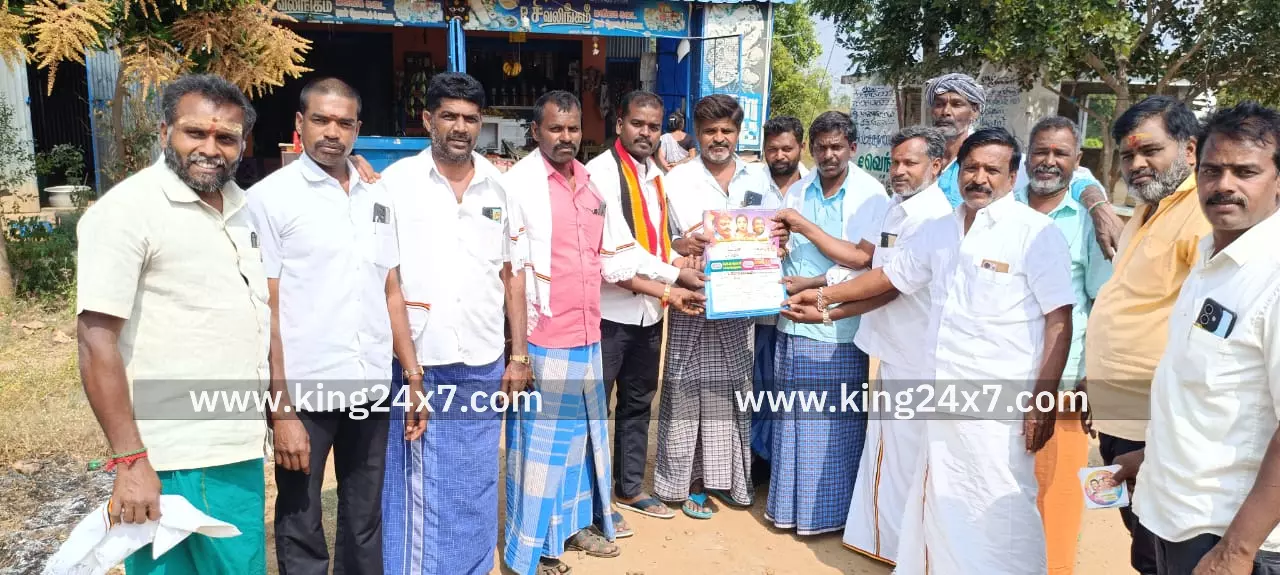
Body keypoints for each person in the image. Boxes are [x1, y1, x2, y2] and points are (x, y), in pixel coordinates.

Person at [785, 127, 1074, 574]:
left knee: (1000, 502)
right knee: (940, 494)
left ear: (1013, 176)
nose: (979, 178)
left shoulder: (1035, 233)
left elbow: (1060, 319)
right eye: (971, 168)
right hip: (940, 389)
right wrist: (824, 300)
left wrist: (1043, 400)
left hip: (999, 402)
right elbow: (892, 277)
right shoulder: (941, 230)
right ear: (957, 172)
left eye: (992, 170)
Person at [75, 73, 269, 573]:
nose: (211, 148)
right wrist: (130, 461)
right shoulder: (128, 211)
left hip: (233, 448)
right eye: (194, 132)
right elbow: (96, 342)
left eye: (226, 137)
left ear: (243, 144)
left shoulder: (241, 208)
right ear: (165, 132)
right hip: (170, 455)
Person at [502, 90, 701, 575]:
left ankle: (571, 528)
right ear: (536, 131)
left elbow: (616, 255)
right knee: (540, 448)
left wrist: (676, 278)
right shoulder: (518, 185)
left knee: (577, 442)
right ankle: (531, 550)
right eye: (555, 128)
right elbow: (512, 272)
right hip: (544, 334)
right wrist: (518, 352)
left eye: (572, 129)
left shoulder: (588, 184)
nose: (565, 137)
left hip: (587, 331)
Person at [246, 77, 412, 575]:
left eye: (344, 123)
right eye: (320, 120)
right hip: (306, 388)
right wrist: (281, 410)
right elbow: (267, 308)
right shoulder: (269, 199)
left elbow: (391, 289)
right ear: (300, 123)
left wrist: (413, 374)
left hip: (371, 384)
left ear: (358, 129)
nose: (333, 133)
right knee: (301, 517)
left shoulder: (377, 197)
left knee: (364, 516)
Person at [373, 72, 528, 575]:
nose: (460, 127)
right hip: (421, 360)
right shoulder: (396, 185)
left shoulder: (500, 187)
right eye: (449, 116)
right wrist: (410, 371)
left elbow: (513, 277)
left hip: (483, 359)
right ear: (427, 120)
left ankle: (473, 567)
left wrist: (519, 356)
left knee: (476, 479)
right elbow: (387, 280)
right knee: (417, 483)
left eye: (470, 118)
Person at [1135, 101, 1280, 575]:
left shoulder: (1273, 278)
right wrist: (1150, 457)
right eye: (1212, 170)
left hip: (1234, 536)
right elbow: (1206, 389)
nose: (1224, 185)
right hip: (1175, 515)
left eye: (1246, 172)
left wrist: (1236, 551)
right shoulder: (1209, 259)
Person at [1085, 95, 1209, 575]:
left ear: (1190, 149)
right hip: (1121, 412)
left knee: (1163, 549)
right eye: (1128, 154)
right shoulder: (1148, 208)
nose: (1137, 164)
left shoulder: (1201, 214)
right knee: (1142, 541)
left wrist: (1163, 434)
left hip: (1156, 421)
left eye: (1150, 150)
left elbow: (1204, 332)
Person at [763, 111, 889, 535]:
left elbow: (862, 259)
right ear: (811, 150)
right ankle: (788, 509)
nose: (829, 155)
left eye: (837, 147)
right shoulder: (800, 189)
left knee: (831, 425)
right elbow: (788, 245)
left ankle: (827, 515)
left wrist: (804, 228)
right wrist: (780, 244)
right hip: (792, 320)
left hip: (836, 324)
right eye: (821, 148)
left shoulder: (871, 195)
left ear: (853, 148)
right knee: (791, 422)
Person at [655, 93, 778, 519]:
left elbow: (775, 229)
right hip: (694, 294)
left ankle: (725, 479)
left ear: (738, 133)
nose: (719, 138)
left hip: (742, 302)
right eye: (710, 131)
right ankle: (685, 482)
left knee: (734, 388)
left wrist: (777, 241)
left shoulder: (758, 177)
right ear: (698, 133)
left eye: (727, 130)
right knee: (685, 386)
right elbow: (661, 240)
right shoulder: (675, 180)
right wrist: (681, 245)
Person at [584, 89, 704, 522]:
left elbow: (654, 241)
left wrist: (681, 259)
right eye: (637, 123)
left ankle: (629, 488)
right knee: (595, 408)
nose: (646, 133)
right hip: (609, 313)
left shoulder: (656, 176)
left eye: (654, 126)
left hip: (649, 312)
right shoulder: (600, 173)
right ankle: (592, 501)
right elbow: (618, 252)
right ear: (620, 124)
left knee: (638, 402)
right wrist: (675, 277)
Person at [840, 125, 953, 565]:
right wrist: (818, 286)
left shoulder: (931, 216)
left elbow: (890, 283)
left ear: (936, 166)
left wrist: (825, 302)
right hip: (894, 346)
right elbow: (872, 266)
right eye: (895, 162)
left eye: (910, 162)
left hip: (914, 353)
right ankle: (894, 546)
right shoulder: (898, 205)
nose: (899, 170)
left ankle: (895, 549)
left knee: (901, 455)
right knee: (893, 450)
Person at [1016, 116, 1114, 575]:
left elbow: (1103, 300)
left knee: (1057, 489)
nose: (1049, 161)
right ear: (1026, 157)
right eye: (1041, 151)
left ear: (1077, 161)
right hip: (1001, 371)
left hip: (1065, 380)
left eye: (1060, 153)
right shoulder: (1003, 208)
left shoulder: (1087, 223)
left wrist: (1095, 375)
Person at [925, 72, 1124, 258]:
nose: (946, 112)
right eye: (939, 104)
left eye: (957, 104)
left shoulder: (999, 159)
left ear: (975, 111)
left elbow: (1077, 178)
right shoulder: (922, 157)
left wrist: (1099, 208)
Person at [749, 115, 810, 483]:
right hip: (755, 304)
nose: (780, 155)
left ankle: (778, 462)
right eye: (772, 149)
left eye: (787, 148)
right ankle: (756, 457)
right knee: (758, 383)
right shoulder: (750, 185)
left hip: (799, 307)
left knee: (785, 386)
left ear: (800, 147)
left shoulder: (811, 188)